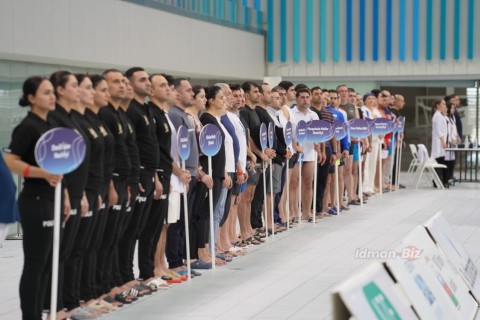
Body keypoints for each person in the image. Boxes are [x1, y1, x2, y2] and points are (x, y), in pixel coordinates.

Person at [3, 76, 64, 320]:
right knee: (36, 264)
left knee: (50, 262)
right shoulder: (28, 127)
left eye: (52, 93)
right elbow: (10, 160)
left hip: (53, 198)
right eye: (46, 93)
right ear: (31, 98)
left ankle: (46, 311)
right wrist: (40, 173)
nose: (52, 97)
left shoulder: (50, 125)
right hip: (35, 200)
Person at [48, 70, 92, 319]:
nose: (79, 90)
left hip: (77, 192)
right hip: (61, 195)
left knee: (73, 249)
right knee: (60, 252)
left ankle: (70, 303)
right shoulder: (56, 119)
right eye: (75, 85)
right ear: (61, 90)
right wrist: (65, 193)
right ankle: (54, 306)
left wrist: (82, 193)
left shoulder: (72, 118)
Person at [431, 99, 449, 187]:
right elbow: (439, 131)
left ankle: (438, 182)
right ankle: (437, 182)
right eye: (443, 104)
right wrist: (443, 142)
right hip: (439, 143)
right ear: (438, 105)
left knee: (440, 162)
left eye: (445, 104)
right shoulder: (437, 116)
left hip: (441, 142)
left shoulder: (440, 116)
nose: (444, 106)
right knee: (439, 163)